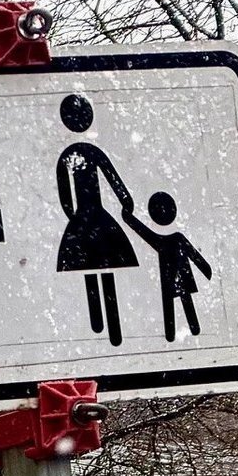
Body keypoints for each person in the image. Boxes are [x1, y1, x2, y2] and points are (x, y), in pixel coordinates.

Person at [54, 93, 138, 345]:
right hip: (90, 217)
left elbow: (109, 178)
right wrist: (125, 201)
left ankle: (108, 327)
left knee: (100, 266)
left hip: (88, 217)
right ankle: (99, 327)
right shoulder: (73, 154)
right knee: (95, 267)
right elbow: (65, 192)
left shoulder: (81, 152)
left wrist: (125, 200)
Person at [125, 190, 213, 342]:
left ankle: (180, 332)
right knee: (181, 302)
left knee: (177, 303)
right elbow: (195, 256)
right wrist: (206, 269)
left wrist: (129, 218)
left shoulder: (165, 241)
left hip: (173, 276)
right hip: (178, 276)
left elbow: (193, 254)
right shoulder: (173, 239)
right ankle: (179, 332)